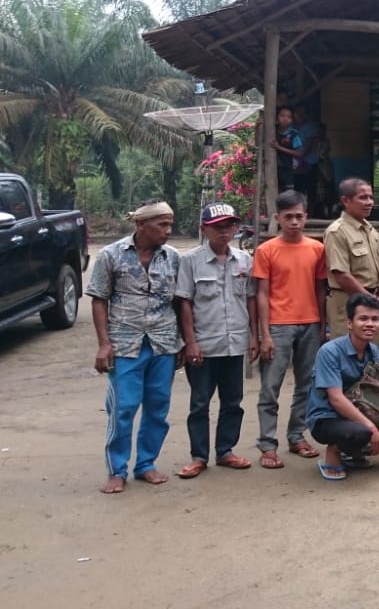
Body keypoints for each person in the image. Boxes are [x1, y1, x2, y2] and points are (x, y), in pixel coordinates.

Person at [88, 200, 182, 494]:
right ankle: (117, 470)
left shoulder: (174, 257)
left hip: (163, 343)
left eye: (170, 224)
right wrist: (104, 345)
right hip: (125, 344)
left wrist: (181, 341)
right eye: (162, 225)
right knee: (123, 409)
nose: (168, 230)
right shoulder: (110, 255)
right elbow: (99, 300)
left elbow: (179, 301)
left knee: (157, 408)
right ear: (141, 225)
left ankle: (146, 465)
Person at [175, 202, 258, 479]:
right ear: (204, 229)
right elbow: (185, 303)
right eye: (218, 227)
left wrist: (254, 336)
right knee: (200, 402)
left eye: (230, 226)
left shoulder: (244, 260)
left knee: (233, 400)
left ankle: (225, 451)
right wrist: (190, 342)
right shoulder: (190, 261)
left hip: (235, 343)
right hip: (204, 344)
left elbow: (250, 300)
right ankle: (198, 456)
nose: (225, 232)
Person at [307, 295, 379, 480]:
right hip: (327, 417)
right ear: (349, 323)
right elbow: (336, 399)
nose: (370, 324)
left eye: (375, 319)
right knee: (361, 432)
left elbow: (378, 390)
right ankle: (335, 451)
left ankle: (355, 451)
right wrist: (371, 427)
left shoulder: (373, 350)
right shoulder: (329, 352)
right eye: (363, 319)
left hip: (362, 410)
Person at [254, 190, 328, 468]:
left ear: (306, 217)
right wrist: (265, 334)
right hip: (278, 325)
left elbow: (321, 289)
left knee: (306, 385)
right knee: (270, 387)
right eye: (288, 217)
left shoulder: (316, 248)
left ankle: (297, 435)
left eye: (299, 216)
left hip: (309, 323)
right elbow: (262, 293)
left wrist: (322, 325)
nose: (294, 222)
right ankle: (267, 444)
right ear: (277, 218)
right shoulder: (266, 250)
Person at [324, 178, 379, 341]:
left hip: (371, 302)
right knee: (347, 352)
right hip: (347, 302)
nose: (369, 202)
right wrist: (370, 299)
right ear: (346, 200)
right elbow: (342, 275)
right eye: (363, 198)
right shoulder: (337, 232)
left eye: (371, 197)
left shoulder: (370, 230)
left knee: (371, 353)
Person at [271, 106, 303, 192]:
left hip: (287, 169)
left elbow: (299, 153)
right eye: (282, 115)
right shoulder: (272, 130)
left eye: (289, 117)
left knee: (287, 194)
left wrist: (279, 148)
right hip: (272, 168)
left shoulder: (293, 134)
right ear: (277, 117)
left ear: (292, 120)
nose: (285, 119)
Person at [293, 105, 320, 207]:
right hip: (299, 164)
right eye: (298, 114)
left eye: (302, 114)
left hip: (309, 163)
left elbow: (307, 147)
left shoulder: (310, 126)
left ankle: (311, 214)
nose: (300, 116)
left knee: (310, 189)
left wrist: (298, 156)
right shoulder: (296, 128)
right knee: (299, 189)